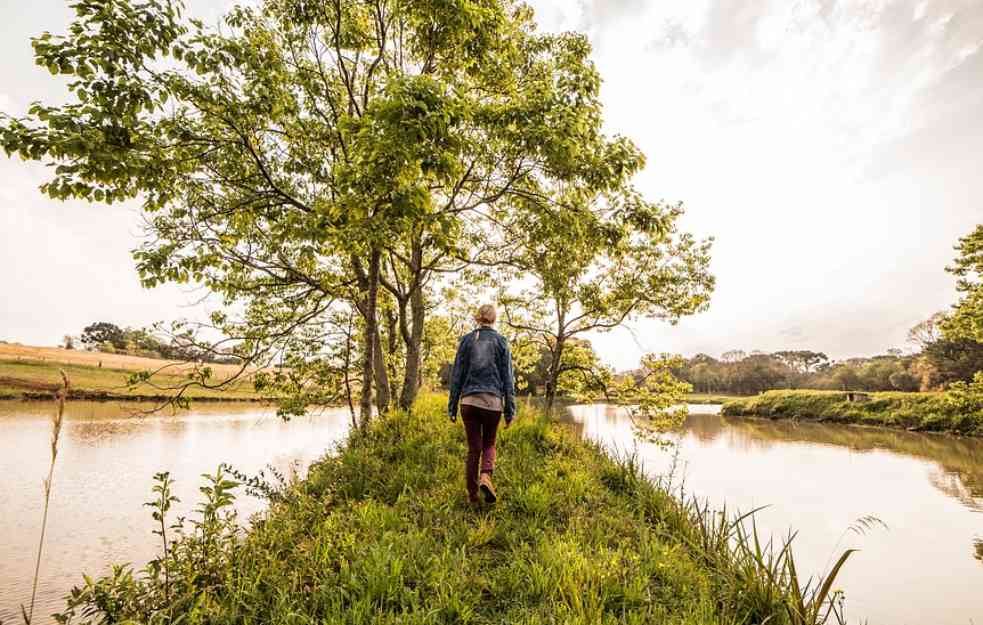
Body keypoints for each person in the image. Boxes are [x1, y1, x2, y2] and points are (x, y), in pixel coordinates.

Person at [448, 303, 516, 504]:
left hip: (468, 400)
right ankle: (486, 476)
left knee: (473, 448)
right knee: (489, 443)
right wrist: (510, 410)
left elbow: (457, 375)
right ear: (494, 319)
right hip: (492, 401)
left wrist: (452, 406)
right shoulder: (502, 342)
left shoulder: (467, 340)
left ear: (477, 318)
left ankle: (473, 496)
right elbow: (508, 378)